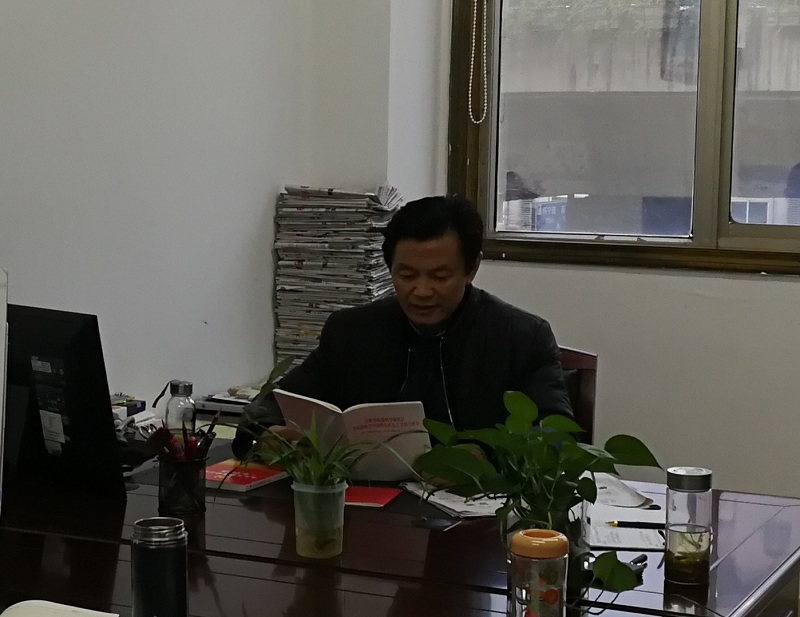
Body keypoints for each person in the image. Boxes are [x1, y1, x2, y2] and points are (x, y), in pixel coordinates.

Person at [232, 194, 573, 458]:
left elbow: (558, 438)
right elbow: (268, 408)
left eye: (440, 276)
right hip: (365, 510)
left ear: (471, 269)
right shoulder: (352, 332)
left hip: (478, 514)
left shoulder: (522, 338)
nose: (421, 291)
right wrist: (266, 436)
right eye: (406, 275)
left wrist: (488, 457)